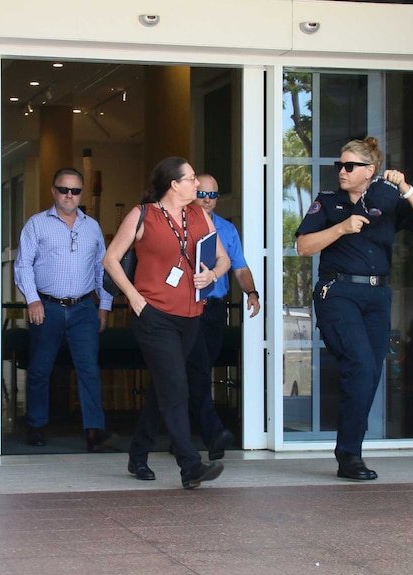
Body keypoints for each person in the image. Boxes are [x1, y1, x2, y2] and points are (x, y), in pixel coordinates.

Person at [294, 137, 413, 481]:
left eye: (349, 166)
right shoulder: (328, 203)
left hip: (376, 298)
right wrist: (342, 227)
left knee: (369, 373)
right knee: (359, 365)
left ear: (369, 170)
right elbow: (302, 246)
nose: (342, 171)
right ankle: (349, 456)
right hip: (338, 292)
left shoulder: (387, 200)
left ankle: (349, 451)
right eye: (339, 166)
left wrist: (405, 188)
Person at [103, 157, 231, 489]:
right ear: (174, 184)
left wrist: (212, 274)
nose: (197, 185)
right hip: (154, 315)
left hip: (192, 315)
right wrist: (134, 298)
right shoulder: (143, 214)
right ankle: (190, 465)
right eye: (191, 179)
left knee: (164, 387)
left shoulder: (200, 215)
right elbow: (111, 259)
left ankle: (138, 453)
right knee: (176, 385)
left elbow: (223, 258)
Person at [14, 167, 117, 452]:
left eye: (75, 191)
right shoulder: (37, 224)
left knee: (89, 369)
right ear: (53, 191)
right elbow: (23, 265)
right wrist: (32, 299)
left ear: (80, 194)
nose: (69, 195)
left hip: (84, 307)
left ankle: (94, 432)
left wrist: (104, 306)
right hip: (47, 307)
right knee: (39, 369)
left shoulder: (92, 227)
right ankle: (35, 426)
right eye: (64, 189)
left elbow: (102, 269)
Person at [185, 174, 260, 460]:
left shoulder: (227, 230)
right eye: (201, 193)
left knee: (197, 371)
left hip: (215, 310)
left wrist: (252, 293)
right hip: (188, 308)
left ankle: (178, 435)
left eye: (213, 195)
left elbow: (240, 268)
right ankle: (213, 433)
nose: (207, 199)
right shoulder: (179, 224)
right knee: (199, 370)